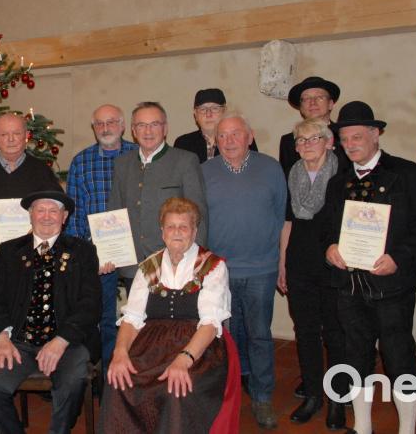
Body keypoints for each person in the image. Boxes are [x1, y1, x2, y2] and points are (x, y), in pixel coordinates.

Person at [322, 102, 416, 434]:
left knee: (399, 357)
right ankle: (363, 426)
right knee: (355, 357)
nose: (351, 145)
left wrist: (399, 258)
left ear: (376, 134)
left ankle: (406, 429)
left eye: (357, 136)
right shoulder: (337, 183)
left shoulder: (409, 175)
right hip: (350, 287)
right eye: (344, 139)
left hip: (392, 287)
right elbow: (329, 230)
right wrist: (330, 248)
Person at [101, 197, 240, 433]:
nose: (177, 232)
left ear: (194, 231)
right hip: (151, 344)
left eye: (183, 226)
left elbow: (209, 324)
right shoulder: (149, 266)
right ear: (162, 231)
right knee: (119, 383)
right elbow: (132, 317)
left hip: (198, 345)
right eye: (171, 226)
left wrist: (184, 359)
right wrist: (120, 352)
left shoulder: (212, 266)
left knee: (177, 390)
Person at [0, 191, 101, 434]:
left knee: (72, 381)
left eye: (53, 211)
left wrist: (61, 341)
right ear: (30, 215)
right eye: (40, 210)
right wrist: (1, 339)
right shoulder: (10, 250)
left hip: (68, 341)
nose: (46, 217)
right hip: (18, 343)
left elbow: (91, 304)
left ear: (64, 217)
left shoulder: (83, 251)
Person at [202, 113, 286, 430]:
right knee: (225, 338)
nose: (230, 140)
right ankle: (230, 395)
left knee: (260, 335)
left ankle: (262, 398)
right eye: (223, 135)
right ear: (215, 140)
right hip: (220, 271)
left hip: (262, 269)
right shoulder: (205, 171)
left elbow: (281, 217)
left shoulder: (270, 168)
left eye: (236, 134)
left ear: (249, 136)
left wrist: (281, 262)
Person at [0, 113, 62, 349]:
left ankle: (26, 365)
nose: (11, 139)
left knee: (27, 319)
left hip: (31, 264)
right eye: (4, 134)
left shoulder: (41, 171)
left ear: (26, 137)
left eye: (16, 133)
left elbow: (57, 216)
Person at [278, 118, 346, 429]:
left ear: (330, 142)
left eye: (313, 138)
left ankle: (338, 399)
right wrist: (282, 262)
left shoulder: (343, 175)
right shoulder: (292, 174)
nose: (306, 145)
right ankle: (313, 395)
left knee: (335, 333)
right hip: (300, 261)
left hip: (334, 262)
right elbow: (289, 221)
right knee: (305, 332)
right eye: (300, 141)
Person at [65, 104, 138, 381]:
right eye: (99, 124)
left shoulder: (137, 154)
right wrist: (86, 257)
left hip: (139, 255)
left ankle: (137, 373)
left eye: (111, 122)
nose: (105, 128)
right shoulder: (81, 162)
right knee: (105, 319)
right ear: (93, 128)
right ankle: (110, 378)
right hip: (99, 257)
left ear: (122, 125)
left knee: (142, 317)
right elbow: (74, 215)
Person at [109, 102, 207, 287]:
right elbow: (114, 212)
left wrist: (194, 262)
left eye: (154, 124)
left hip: (174, 263)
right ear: (133, 130)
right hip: (133, 266)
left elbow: (199, 215)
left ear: (165, 128)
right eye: (141, 125)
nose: (148, 131)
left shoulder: (185, 161)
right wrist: (110, 253)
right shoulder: (122, 164)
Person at [278, 76, 349, 175]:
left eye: (319, 97)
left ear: (330, 104)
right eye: (306, 98)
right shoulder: (289, 141)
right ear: (301, 108)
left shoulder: (344, 135)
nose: (312, 102)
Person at [174, 88, 257, 163]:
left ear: (224, 111)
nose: (208, 114)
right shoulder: (183, 144)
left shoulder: (241, 139)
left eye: (215, 108)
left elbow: (254, 170)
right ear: (195, 114)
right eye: (202, 109)